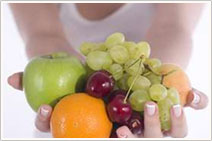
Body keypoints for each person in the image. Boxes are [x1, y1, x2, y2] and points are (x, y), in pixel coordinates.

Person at [8, 3, 208, 138]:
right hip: (69, 118)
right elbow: (43, 33)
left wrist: (160, 84)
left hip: (137, 126)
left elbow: (172, 28)